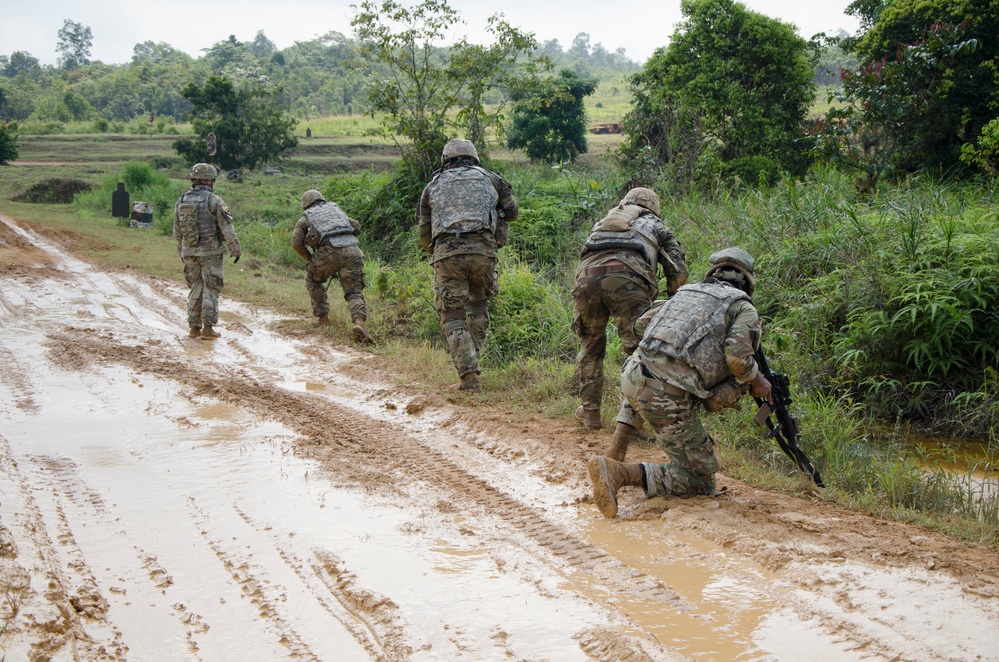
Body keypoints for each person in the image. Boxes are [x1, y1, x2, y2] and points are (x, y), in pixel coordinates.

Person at [588, 248, 774, 517]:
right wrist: (757, 381)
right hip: (663, 395)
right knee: (699, 480)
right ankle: (620, 473)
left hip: (632, 375)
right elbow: (737, 360)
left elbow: (641, 327)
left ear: (714, 272)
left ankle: (615, 450)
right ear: (747, 280)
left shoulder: (687, 292)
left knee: (652, 370)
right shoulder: (741, 307)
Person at [571, 187, 688, 429]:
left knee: (590, 345)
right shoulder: (655, 224)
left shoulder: (603, 222)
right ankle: (631, 421)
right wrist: (671, 300)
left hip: (586, 279)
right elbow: (678, 271)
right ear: (654, 208)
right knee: (638, 351)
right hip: (629, 278)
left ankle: (591, 412)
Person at [417, 138, 519, 391]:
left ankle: (469, 374)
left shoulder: (433, 185)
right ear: (474, 157)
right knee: (478, 304)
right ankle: (472, 360)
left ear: (446, 160)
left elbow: (423, 230)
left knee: (452, 314)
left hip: (447, 254)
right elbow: (513, 212)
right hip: (484, 251)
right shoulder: (492, 178)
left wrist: (436, 252)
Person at [291, 189, 373, 344]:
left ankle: (323, 318)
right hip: (353, 250)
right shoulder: (335, 209)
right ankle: (359, 323)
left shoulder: (306, 218)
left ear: (305, 205)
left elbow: (296, 242)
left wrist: (309, 258)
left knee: (312, 279)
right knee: (354, 291)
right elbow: (356, 227)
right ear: (322, 199)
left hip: (328, 253)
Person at [173, 163, 241, 339]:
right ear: (209, 180)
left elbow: (177, 231)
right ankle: (208, 329)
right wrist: (235, 249)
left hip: (189, 252)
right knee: (211, 288)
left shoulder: (181, 200)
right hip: (210, 253)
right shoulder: (214, 200)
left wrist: (182, 251)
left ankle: (194, 327)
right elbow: (227, 228)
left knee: (195, 288)